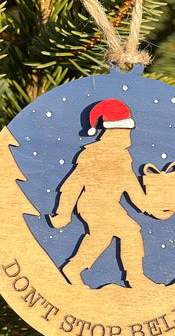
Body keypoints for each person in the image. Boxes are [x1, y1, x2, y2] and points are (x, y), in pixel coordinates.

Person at [49, 99, 155, 288]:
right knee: (129, 232)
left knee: (101, 239)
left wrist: (149, 207)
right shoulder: (92, 154)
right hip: (92, 205)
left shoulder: (123, 157)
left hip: (110, 206)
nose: (128, 137)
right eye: (125, 132)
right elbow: (73, 184)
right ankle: (135, 278)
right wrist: (63, 212)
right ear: (114, 131)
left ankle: (73, 268)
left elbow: (130, 185)